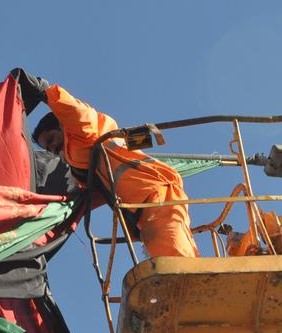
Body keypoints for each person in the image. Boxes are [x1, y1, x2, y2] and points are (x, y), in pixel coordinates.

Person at [13, 68, 199, 258]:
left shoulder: (83, 131)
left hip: (153, 193)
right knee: (170, 249)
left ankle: (185, 279)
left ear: (61, 126)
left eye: (51, 139)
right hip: (142, 205)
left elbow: (75, 112)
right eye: (48, 148)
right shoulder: (82, 160)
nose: (52, 149)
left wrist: (46, 91)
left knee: (172, 253)